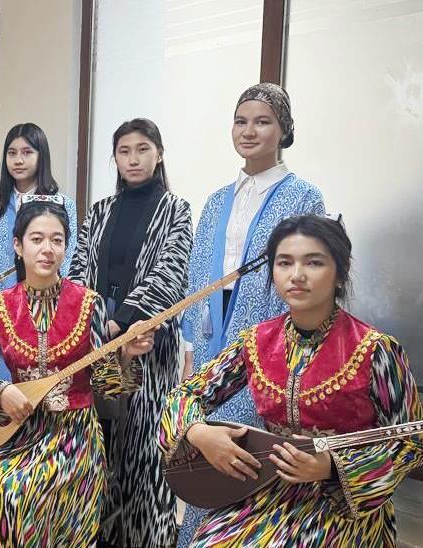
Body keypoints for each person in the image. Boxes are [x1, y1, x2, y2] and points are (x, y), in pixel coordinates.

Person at [160, 214, 423, 546]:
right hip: (266, 488)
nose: (297, 275)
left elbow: (411, 442)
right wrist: (199, 433)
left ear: (340, 273)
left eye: (314, 262)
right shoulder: (256, 342)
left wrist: (331, 467)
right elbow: (185, 394)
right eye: (284, 262)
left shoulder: (376, 349)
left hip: (341, 504)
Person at [0, 198, 154, 546]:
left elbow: (106, 385)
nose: (47, 249)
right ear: (18, 246)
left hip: (73, 437)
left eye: (57, 240)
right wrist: (2, 392)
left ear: (66, 247)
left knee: (30, 491)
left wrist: (126, 355)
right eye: (36, 239)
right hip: (18, 431)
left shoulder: (89, 303)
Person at [179, 83, 326, 544]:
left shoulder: (304, 196)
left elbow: (307, 277)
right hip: (212, 337)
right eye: (241, 121)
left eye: (262, 122)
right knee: (206, 454)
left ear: (284, 130)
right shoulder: (217, 199)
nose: (249, 131)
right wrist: (189, 345)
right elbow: (197, 274)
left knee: (251, 452)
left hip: (270, 344)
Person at [68, 118, 192, 547]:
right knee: (100, 442)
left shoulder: (176, 209)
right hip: (96, 343)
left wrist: (120, 321)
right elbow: (78, 270)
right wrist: (92, 322)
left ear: (159, 154)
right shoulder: (100, 210)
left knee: (143, 447)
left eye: (142, 149)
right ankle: (98, 536)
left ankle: (145, 538)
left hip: (147, 343)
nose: (133, 159)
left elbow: (170, 273)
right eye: (124, 151)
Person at [0, 122, 78, 326]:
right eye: (12, 153)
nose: (18, 160)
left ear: (41, 156)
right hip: (1, 310)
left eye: (27, 152)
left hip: (48, 309)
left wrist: (60, 304)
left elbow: (68, 258)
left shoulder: (62, 204)